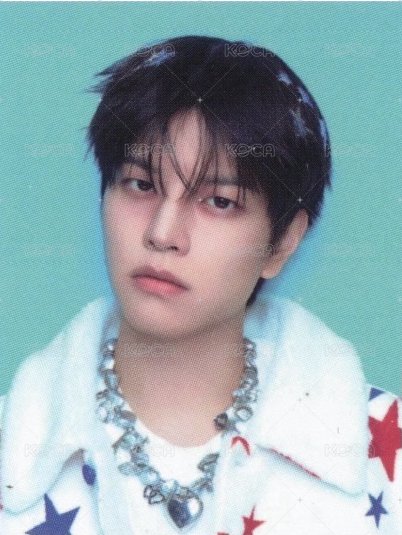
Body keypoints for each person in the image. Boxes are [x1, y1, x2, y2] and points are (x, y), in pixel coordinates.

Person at [0, 35, 400, 535]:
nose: (162, 233)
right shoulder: (14, 444)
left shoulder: (385, 454)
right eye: (141, 185)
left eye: (219, 202)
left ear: (282, 242)